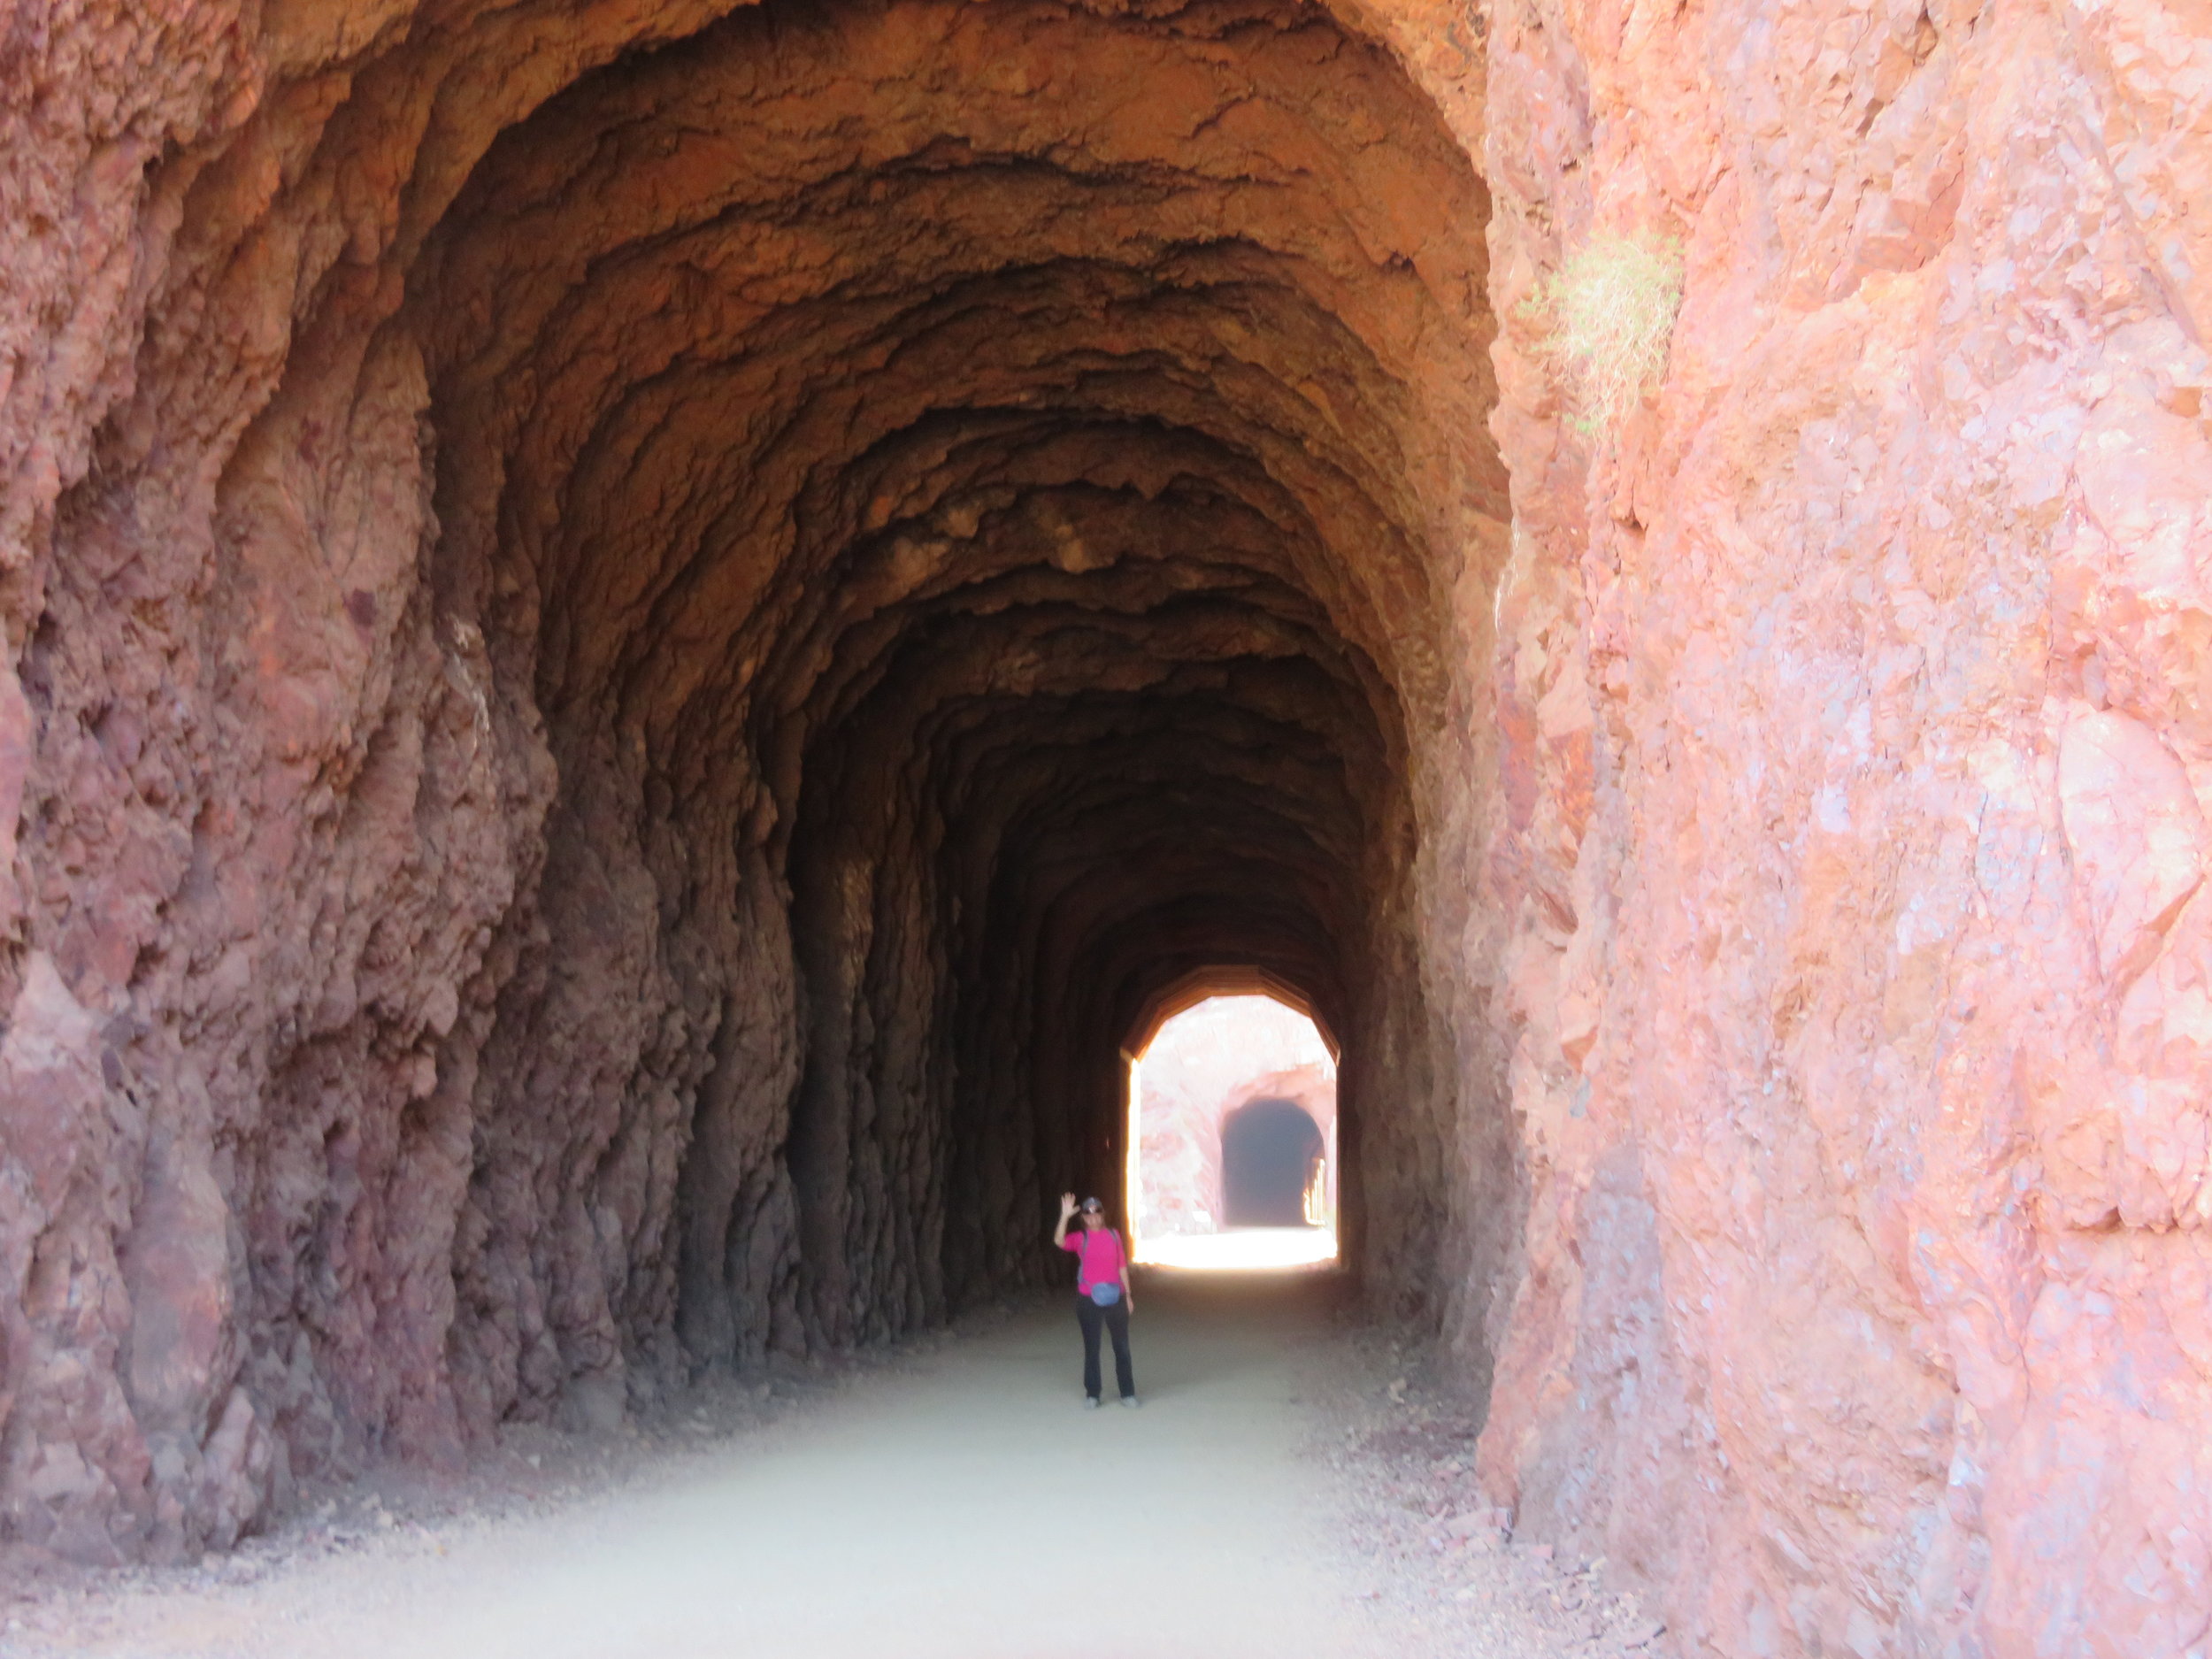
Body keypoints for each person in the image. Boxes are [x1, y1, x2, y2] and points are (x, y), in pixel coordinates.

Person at [1053, 1193, 1138, 1409]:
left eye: (1097, 1212)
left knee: (1122, 1347)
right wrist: (1064, 1216)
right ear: (1083, 1217)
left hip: (1115, 1297)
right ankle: (1093, 1394)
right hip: (1088, 1299)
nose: (1093, 1217)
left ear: (1102, 1214)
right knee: (1092, 1348)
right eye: (1088, 1214)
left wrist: (1128, 1295)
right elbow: (1059, 1241)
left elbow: (1121, 1265)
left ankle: (1127, 1393)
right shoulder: (1080, 1238)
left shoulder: (1114, 1236)